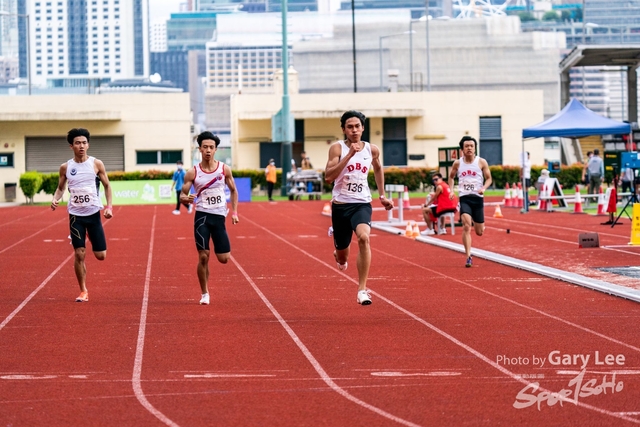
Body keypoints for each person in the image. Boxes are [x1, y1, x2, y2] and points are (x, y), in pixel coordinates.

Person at [325, 110, 393, 305]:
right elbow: (329, 177)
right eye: (349, 127)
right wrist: (349, 156)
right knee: (342, 255)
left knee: (364, 237)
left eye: (357, 126)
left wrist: (382, 196)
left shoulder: (372, 149)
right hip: (341, 206)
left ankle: (362, 289)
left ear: (363, 128)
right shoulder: (337, 149)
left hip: (362, 203)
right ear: (344, 129)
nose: (354, 130)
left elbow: (378, 168)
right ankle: (339, 256)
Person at [51, 128, 113, 302]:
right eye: (77, 143)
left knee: (101, 256)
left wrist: (109, 207)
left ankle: (92, 237)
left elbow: (107, 186)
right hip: (75, 216)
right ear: (71, 146)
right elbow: (61, 188)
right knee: (79, 253)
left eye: (84, 142)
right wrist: (56, 199)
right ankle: (83, 291)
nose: (81, 146)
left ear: (88, 144)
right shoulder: (66, 167)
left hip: (93, 215)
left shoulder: (96, 164)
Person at [180, 131, 239, 305]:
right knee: (203, 256)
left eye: (211, 147)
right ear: (199, 149)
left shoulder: (223, 169)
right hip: (202, 217)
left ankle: (211, 264)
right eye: (205, 147)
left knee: (224, 259)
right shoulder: (193, 172)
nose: (208, 150)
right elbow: (182, 195)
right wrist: (186, 198)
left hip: (219, 217)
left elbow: (234, 191)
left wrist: (234, 212)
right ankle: (204, 293)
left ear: (215, 150)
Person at [448, 135, 492, 268]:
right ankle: (468, 256)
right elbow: (451, 177)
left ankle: (479, 223)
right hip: (465, 197)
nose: (469, 148)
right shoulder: (457, 163)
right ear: (462, 149)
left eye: (472, 146)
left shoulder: (481, 162)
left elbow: (489, 179)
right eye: (466, 146)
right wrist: (451, 190)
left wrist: (483, 188)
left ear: (475, 148)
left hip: (477, 198)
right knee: (466, 225)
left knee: (479, 232)